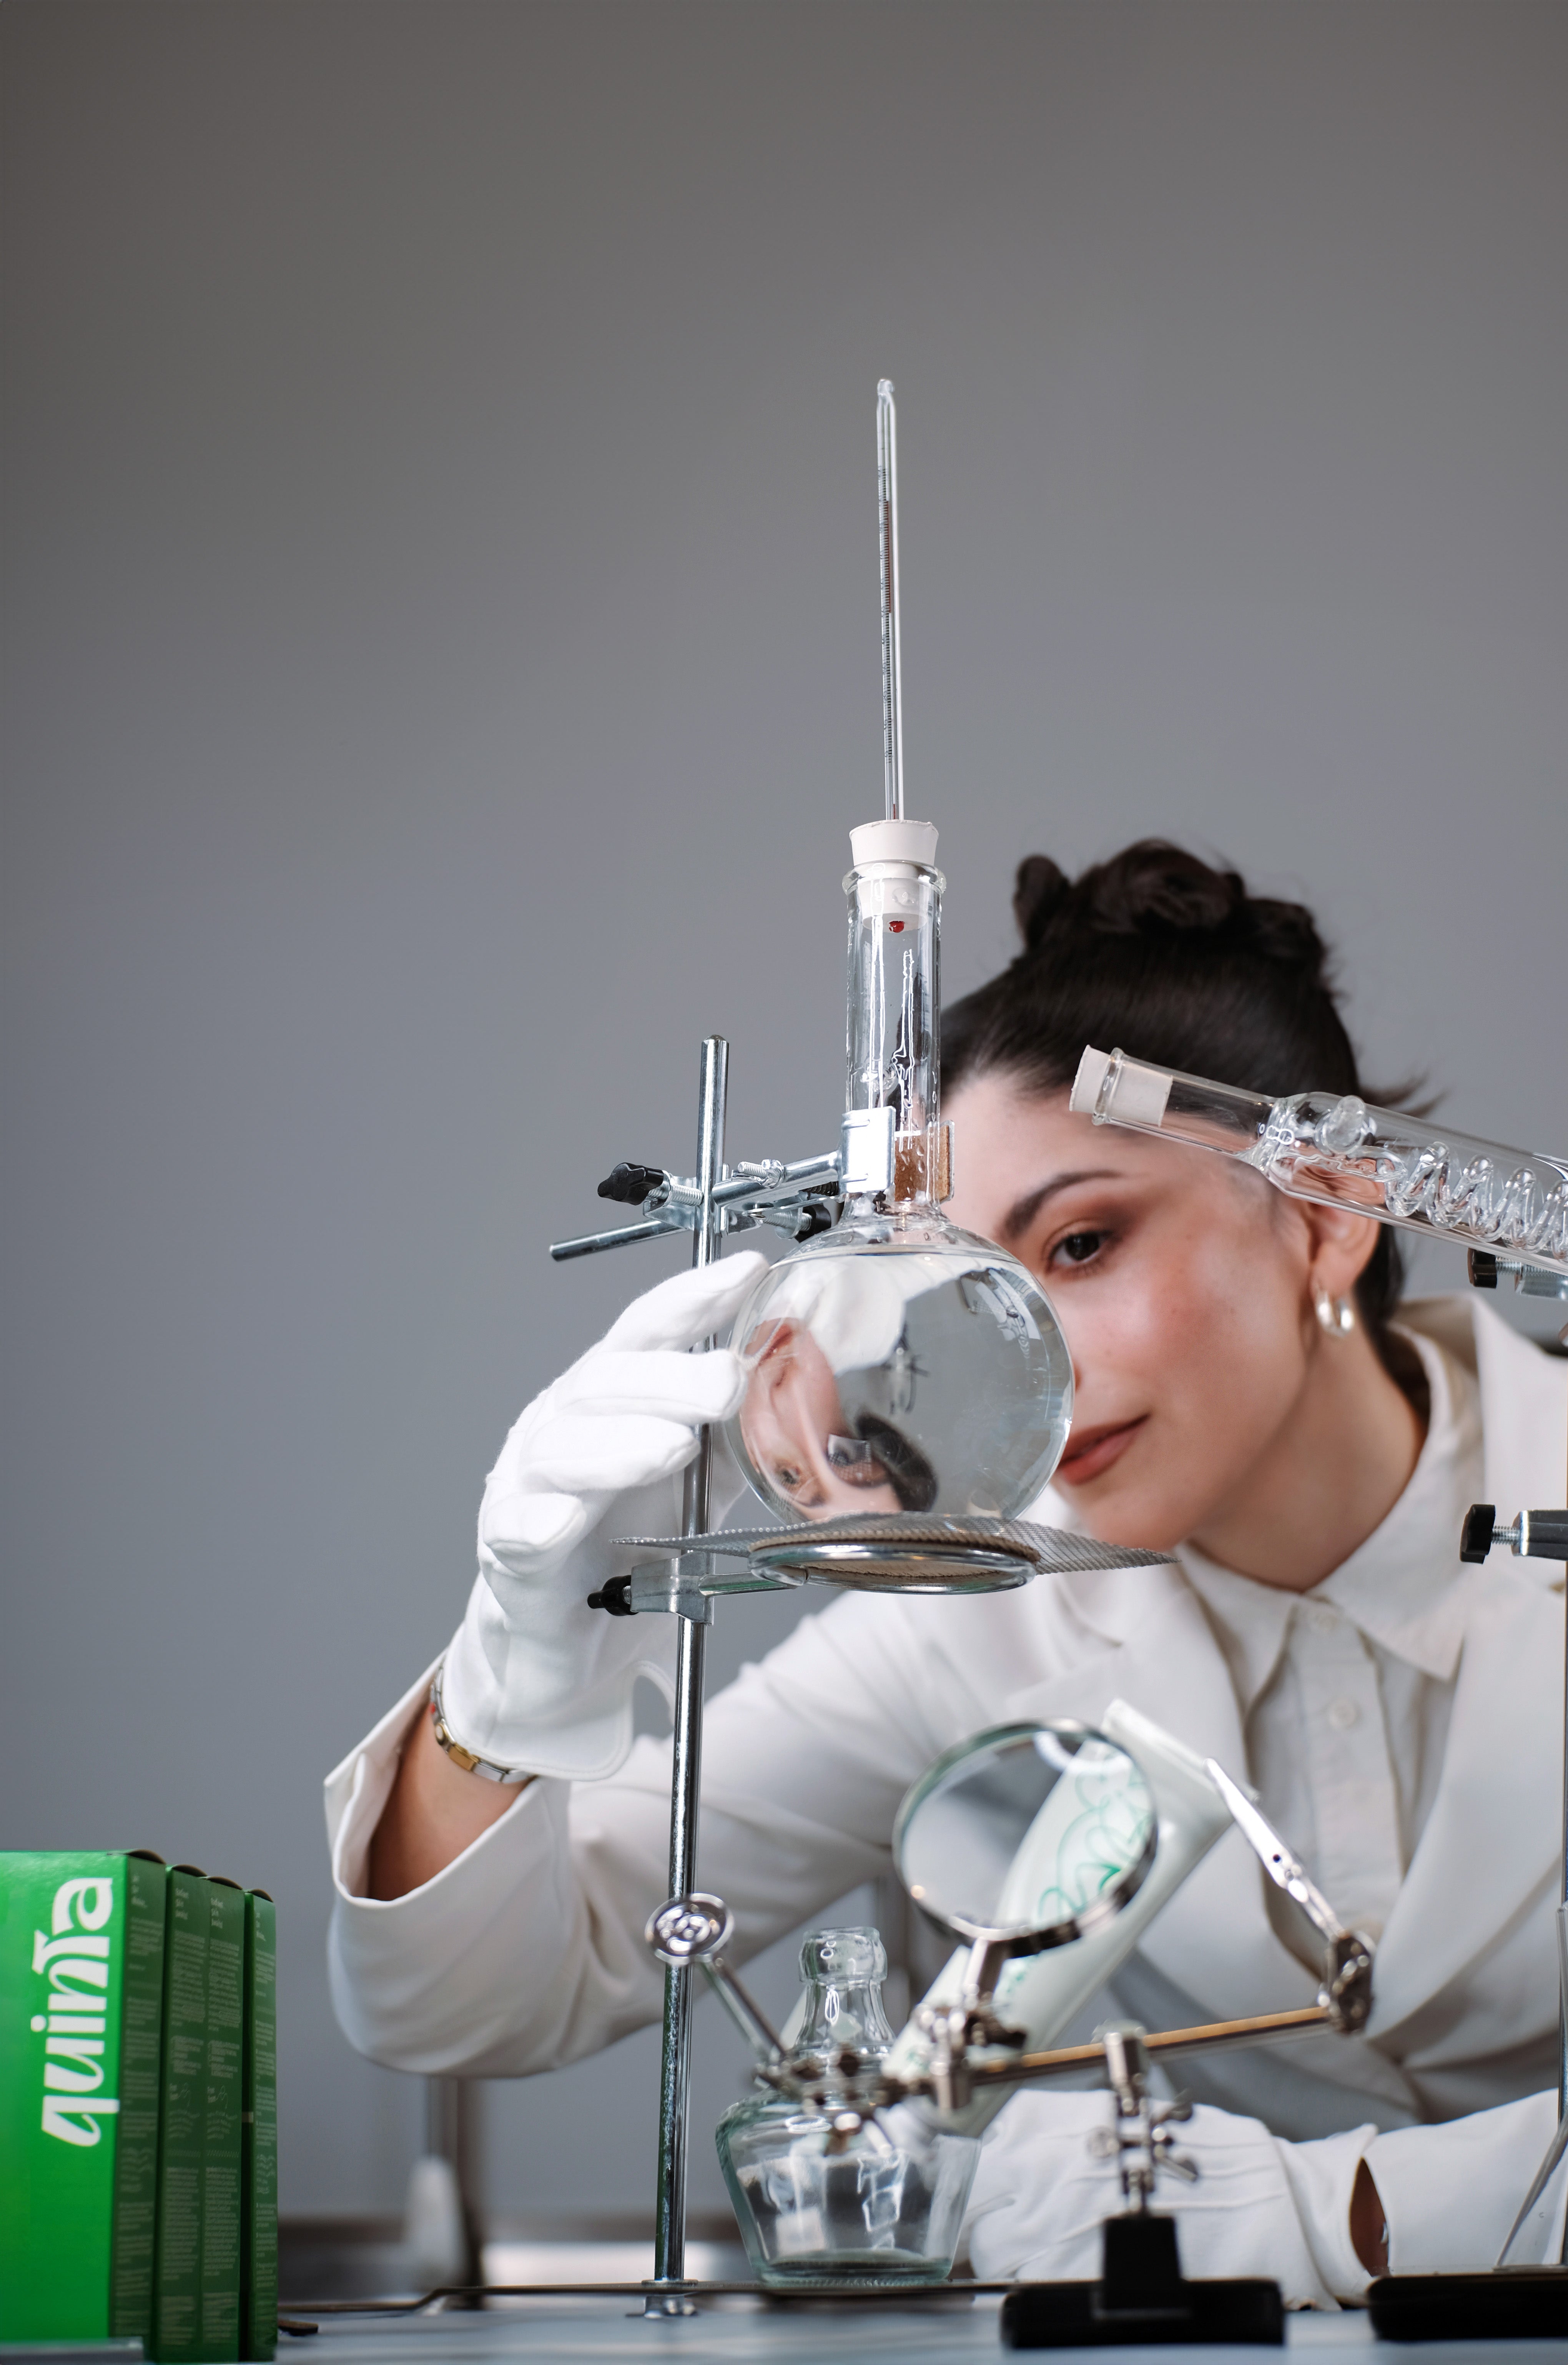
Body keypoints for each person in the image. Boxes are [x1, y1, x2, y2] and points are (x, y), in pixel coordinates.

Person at [326, 842, 1566, 2300]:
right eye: (975, 1292)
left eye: (1085, 1242)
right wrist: (523, 1658)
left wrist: (1293, 2221)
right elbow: (467, 2005)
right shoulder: (982, 1624)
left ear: (1328, 1213)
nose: (1022, 1361)